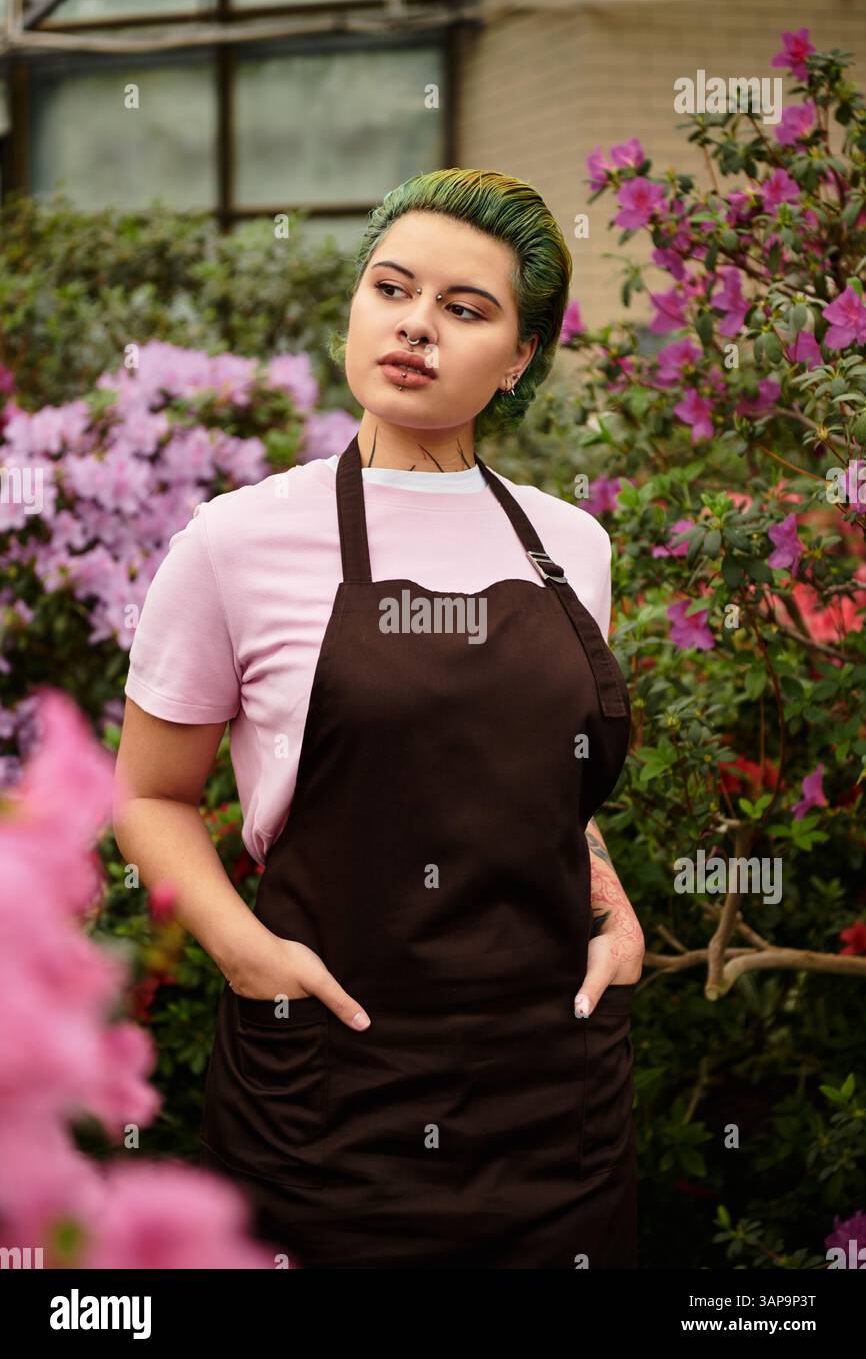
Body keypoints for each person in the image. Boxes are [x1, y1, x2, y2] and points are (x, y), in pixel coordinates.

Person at [113, 167, 646, 1270]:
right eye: (391, 288)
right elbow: (150, 795)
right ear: (355, 305)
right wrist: (246, 954)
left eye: (464, 308)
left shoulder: (571, 546)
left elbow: (546, 786)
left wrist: (615, 909)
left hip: (553, 1091)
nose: (415, 324)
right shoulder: (235, 542)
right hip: (326, 1085)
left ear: (520, 358)